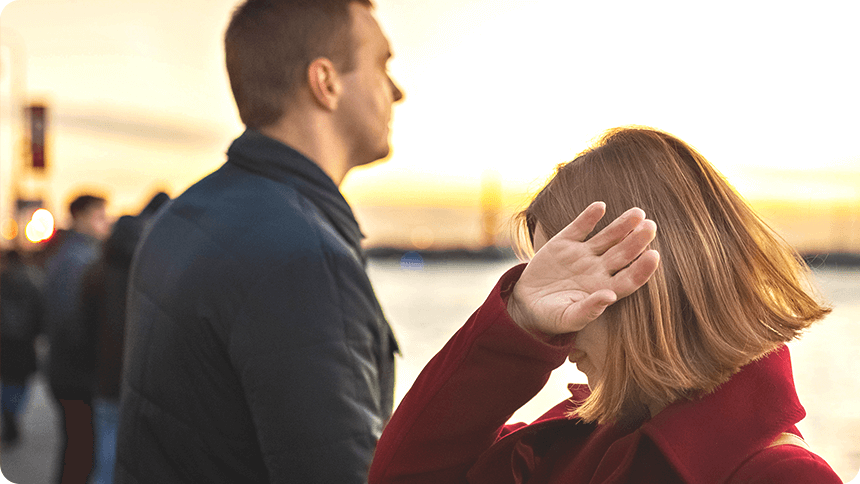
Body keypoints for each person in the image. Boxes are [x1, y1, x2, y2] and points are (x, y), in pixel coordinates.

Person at [368, 127, 842, 483]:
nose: (560, 328)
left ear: (647, 280)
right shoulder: (571, 439)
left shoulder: (782, 476)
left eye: (564, 281)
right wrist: (519, 324)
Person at [114, 1, 404, 482]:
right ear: (326, 83)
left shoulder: (184, 214)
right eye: (382, 64)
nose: (397, 91)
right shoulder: (302, 259)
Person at [80, 192, 169, 484]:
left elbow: (82, 328)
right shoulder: (149, 272)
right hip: (137, 379)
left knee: (104, 449)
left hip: (102, 377)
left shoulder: (95, 273)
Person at [42, 194, 111, 483]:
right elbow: (71, 322)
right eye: (100, 215)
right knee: (81, 454)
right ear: (81, 216)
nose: (105, 223)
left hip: (66, 371)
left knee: (75, 450)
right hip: (76, 375)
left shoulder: (67, 254)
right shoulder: (79, 260)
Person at [0, 249, 44, 446]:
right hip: (23, 345)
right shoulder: (32, 283)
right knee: (18, 384)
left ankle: (8, 414)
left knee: (8, 382)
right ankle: (11, 413)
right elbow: (40, 317)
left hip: (5, 344)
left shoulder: (3, 283)